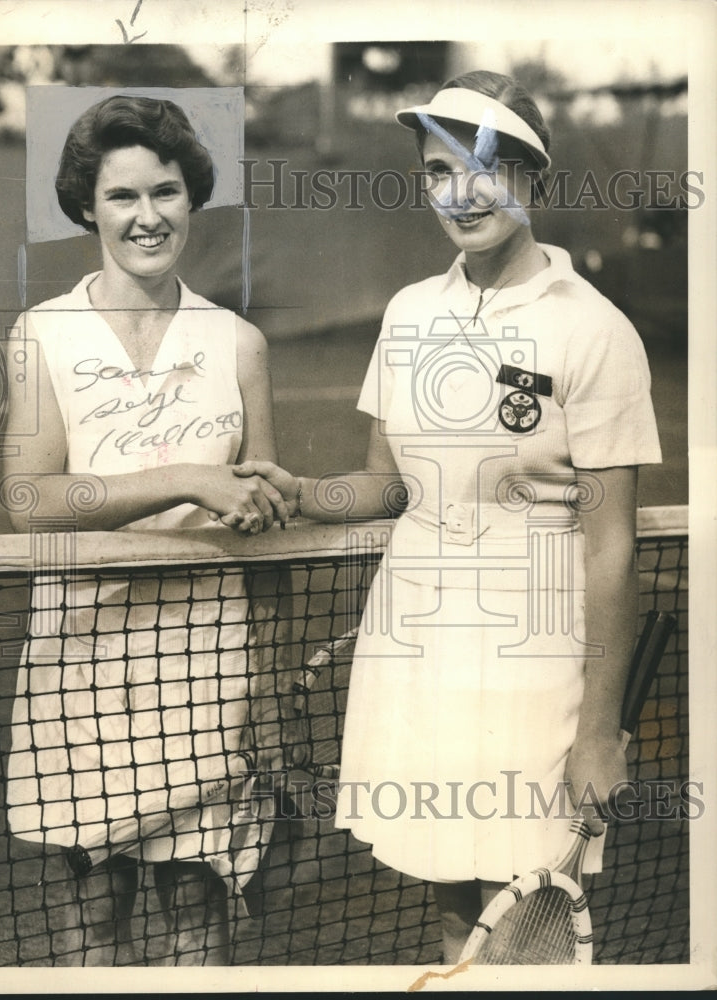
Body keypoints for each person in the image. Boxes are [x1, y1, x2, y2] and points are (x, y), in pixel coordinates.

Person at [233, 70, 662, 964]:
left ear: (532, 174)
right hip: (415, 643)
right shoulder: (409, 312)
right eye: (437, 170)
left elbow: (612, 548)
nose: (460, 192)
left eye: (483, 167)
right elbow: (388, 484)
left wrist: (597, 731)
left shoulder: (597, 332)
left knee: (531, 919)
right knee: (448, 905)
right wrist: (299, 492)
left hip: (536, 665)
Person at [2, 94, 289, 966]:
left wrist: (268, 696)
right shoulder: (40, 335)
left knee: (199, 923)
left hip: (209, 662)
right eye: (122, 196)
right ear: (87, 206)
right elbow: (29, 501)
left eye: (166, 191)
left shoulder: (238, 344)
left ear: (192, 199)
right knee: (91, 922)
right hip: (80, 667)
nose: (147, 216)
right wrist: (186, 479)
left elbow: (267, 526)